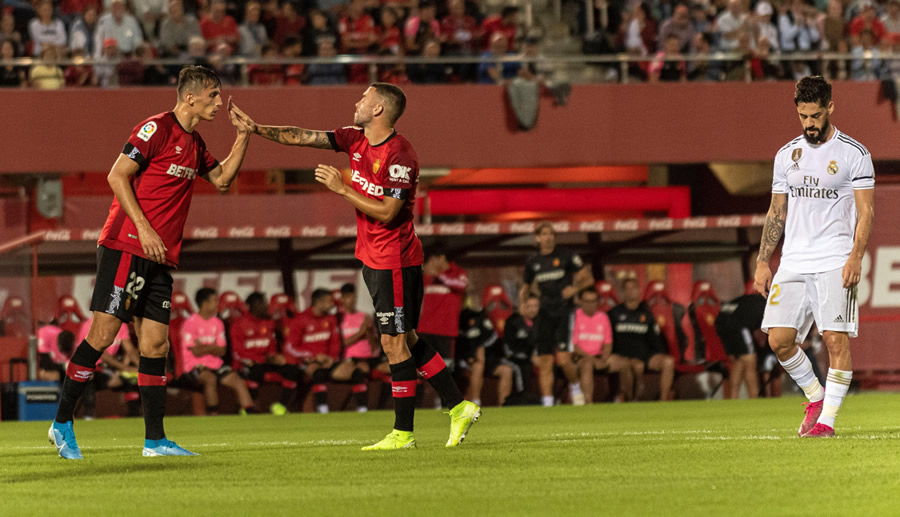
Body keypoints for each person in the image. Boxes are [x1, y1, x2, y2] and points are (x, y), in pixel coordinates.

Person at [230, 83, 481, 450]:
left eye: (364, 98)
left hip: (394, 259)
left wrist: (342, 187)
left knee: (393, 343)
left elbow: (389, 212)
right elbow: (302, 136)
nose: (356, 102)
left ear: (379, 109)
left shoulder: (400, 155)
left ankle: (403, 433)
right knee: (406, 338)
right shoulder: (354, 138)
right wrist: (256, 128)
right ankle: (458, 406)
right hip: (374, 257)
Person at [48, 65, 251, 460]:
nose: (217, 102)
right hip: (127, 244)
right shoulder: (155, 129)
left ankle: (155, 441)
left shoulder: (194, 144)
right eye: (212, 95)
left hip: (161, 257)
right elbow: (117, 175)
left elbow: (223, 179)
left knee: (156, 344)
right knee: (103, 335)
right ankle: (62, 423)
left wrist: (244, 135)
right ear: (190, 97)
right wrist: (143, 228)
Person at [755, 76, 874, 438]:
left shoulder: (854, 153)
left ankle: (827, 422)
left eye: (816, 115)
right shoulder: (785, 155)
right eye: (803, 115)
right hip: (793, 260)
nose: (809, 123)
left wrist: (856, 256)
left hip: (835, 259)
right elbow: (777, 211)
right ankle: (815, 396)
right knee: (778, 340)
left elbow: (866, 212)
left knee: (835, 340)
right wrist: (764, 261)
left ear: (830, 108)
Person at [519, 222, 594, 407]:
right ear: (537, 238)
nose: (548, 237)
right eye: (544, 234)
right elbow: (525, 288)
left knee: (563, 360)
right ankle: (547, 402)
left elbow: (588, 278)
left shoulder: (567, 256)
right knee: (545, 360)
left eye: (551, 233)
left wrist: (574, 288)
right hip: (544, 312)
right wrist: (521, 304)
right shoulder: (533, 262)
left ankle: (575, 386)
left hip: (563, 311)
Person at [178, 287, 257, 415]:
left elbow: (222, 351)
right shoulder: (190, 323)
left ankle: (251, 413)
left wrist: (204, 346)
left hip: (215, 363)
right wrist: (212, 347)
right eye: (214, 300)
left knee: (238, 381)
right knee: (210, 378)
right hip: (193, 366)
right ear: (204, 303)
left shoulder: (217, 323)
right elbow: (195, 352)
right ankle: (213, 415)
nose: (217, 304)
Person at [231, 292, 301, 414]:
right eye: (264, 303)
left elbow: (271, 348)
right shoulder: (239, 325)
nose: (267, 306)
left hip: (265, 362)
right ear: (255, 305)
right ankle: (248, 408)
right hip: (245, 364)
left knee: (293, 370)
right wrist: (263, 359)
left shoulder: (269, 323)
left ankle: (281, 406)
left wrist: (275, 357)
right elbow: (237, 353)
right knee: (255, 370)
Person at [417, 243, 468, 407]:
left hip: (446, 330)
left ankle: (446, 401)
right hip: (425, 329)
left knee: (446, 368)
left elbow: (462, 285)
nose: (428, 265)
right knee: (423, 368)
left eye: (430, 260)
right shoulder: (426, 277)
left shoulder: (458, 273)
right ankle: (424, 402)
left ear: (440, 259)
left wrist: (440, 277)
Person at [608, 278, 675, 400]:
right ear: (622, 292)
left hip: (644, 356)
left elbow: (655, 339)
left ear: (639, 291)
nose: (631, 291)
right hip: (623, 356)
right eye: (627, 289)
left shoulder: (647, 314)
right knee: (631, 366)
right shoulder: (614, 313)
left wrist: (658, 355)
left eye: (633, 288)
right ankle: (628, 398)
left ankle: (664, 402)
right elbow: (608, 339)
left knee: (668, 362)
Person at [571, 287, 634, 403]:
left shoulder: (603, 317)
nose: (591, 305)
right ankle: (588, 403)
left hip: (599, 356)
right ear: (580, 302)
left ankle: (626, 400)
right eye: (587, 301)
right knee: (587, 364)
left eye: (593, 301)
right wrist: (593, 359)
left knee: (625, 363)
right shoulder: (574, 317)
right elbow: (574, 347)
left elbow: (607, 343)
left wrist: (604, 358)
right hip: (580, 357)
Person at [283, 289, 342, 414]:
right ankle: (323, 410)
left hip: (328, 360)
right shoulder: (300, 319)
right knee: (318, 373)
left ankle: (362, 410)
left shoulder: (330, 319)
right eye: (329, 302)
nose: (332, 304)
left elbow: (335, 342)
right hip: (307, 362)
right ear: (318, 303)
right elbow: (290, 347)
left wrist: (332, 358)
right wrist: (313, 356)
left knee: (356, 373)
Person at [459, 289, 518, 406]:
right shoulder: (468, 318)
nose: (496, 307)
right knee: (478, 364)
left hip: (490, 359)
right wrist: (472, 355)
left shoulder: (500, 321)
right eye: (492, 304)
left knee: (507, 370)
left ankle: (503, 405)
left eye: (501, 304)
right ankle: (476, 403)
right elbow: (466, 343)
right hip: (468, 359)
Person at [337, 282, 382, 412]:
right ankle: (362, 407)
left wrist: (368, 333)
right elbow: (340, 344)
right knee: (361, 370)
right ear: (342, 299)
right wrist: (361, 332)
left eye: (353, 297)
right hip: (351, 359)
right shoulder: (338, 319)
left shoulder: (364, 317)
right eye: (348, 297)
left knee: (398, 369)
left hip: (371, 357)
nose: (352, 300)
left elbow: (375, 345)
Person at [715, 293, 766, 399]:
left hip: (721, 322)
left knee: (739, 361)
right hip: (738, 325)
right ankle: (754, 398)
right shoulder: (769, 303)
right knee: (750, 359)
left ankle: (733, 398)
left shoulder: (751, 298)